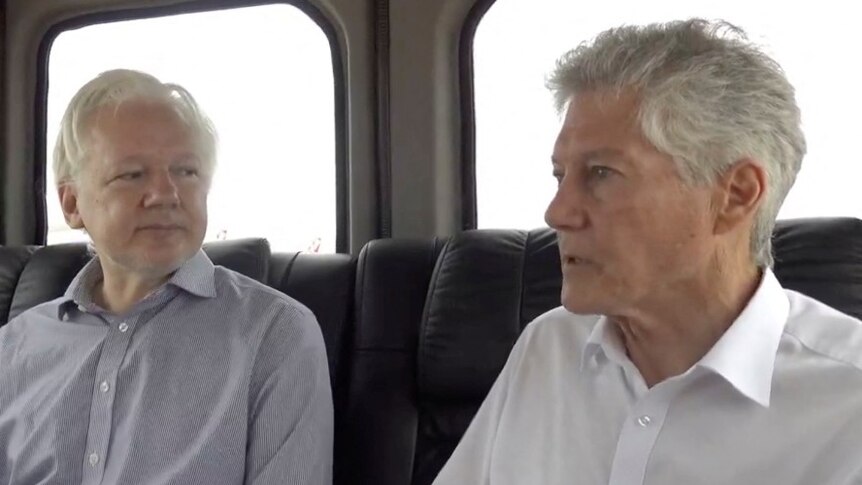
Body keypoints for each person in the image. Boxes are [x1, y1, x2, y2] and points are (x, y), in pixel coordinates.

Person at [433, 19, 862, 485]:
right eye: (560, 176)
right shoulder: (549, 345)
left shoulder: (848, 404)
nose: (558, 212)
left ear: (735, 195)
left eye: (600, 173)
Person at [0, 69, 333, 484]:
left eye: (186, 172)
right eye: (132, 174)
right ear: (71, 203)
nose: (166, 194)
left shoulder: (275, 334)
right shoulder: (13, 348)